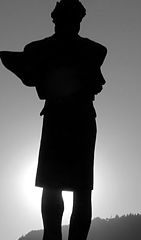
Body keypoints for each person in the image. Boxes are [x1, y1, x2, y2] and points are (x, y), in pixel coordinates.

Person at [0, 1, 107, 240]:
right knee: (62, 188)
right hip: (70, 118)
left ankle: (55, 237)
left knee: (70, 188)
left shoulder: (49, 49)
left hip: (70, 119)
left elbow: (20, 67)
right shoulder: (89, 50)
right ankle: (53, 237)